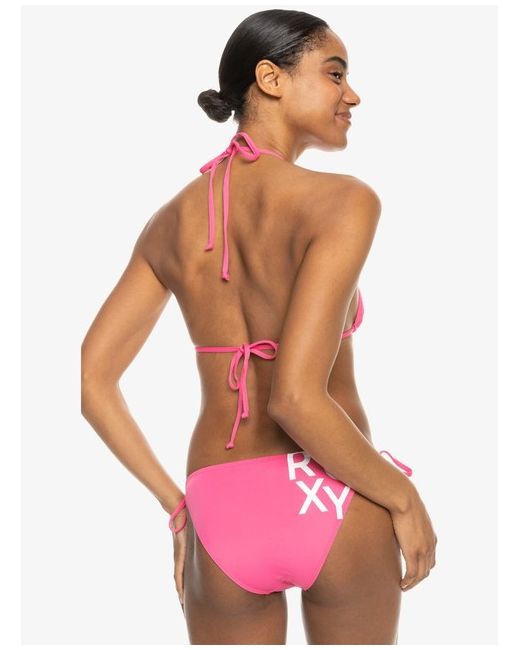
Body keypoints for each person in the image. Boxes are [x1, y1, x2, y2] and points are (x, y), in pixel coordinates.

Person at [81, 8, 437, 644]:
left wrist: (177, 509)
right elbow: (295, 398)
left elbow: (92, 381)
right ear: (270, 78)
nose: (352, 95)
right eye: (335, 74)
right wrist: (404, 498)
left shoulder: (170, 222)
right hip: (328, 491)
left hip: (220, 510)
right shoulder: (344, 201)